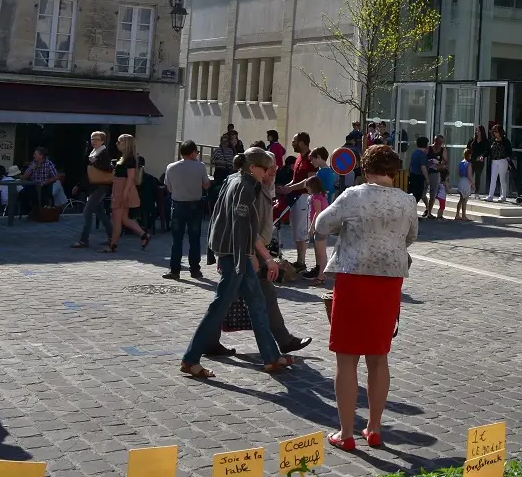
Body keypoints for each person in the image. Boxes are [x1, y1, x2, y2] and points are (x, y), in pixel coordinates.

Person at [314, 144, 418, 451]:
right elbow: (411, 237)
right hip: (389, 280)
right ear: (394, 171)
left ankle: (345, 433)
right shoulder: (407, 201)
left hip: (353, 276)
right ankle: (373, 428)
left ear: (365, 168)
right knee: (378, 355)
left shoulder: (354, 195)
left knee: (346, 359)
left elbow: (321, 224)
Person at [178, 146, 294, 379]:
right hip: (236, 255)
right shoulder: (247, 186)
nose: (267, 172)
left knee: (257, 303)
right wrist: (250, 256)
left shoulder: (233, 179)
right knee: (219, 307)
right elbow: (241, 225)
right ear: (253, 168)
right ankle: (191, 359)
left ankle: (271, 357)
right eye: (264, 168)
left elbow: (219, 215)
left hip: (231, 252)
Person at [163, 141, 210, 280]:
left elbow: (169, 187)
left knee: (177, 239)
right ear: (193, 152)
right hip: (195, 204)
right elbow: (206, 184)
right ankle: (195, 269)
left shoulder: (171, 167)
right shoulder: (200, 166)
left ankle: (175, 270)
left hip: (178, 204)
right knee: (194, 238)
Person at [104, 134, 150, 253]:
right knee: (124, 218)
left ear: (125, 143)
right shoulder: (125, 158)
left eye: (119, 142)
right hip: (120, 188)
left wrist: (124, 194)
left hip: (122, 190)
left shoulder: (129, 159)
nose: (117, 144)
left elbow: (130, 178)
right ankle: (143, 235)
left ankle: (112, 245)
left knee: (116, 219)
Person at [279, 132, 317, 275]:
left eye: (294, 141)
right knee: (295, 229)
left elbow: (309, 181)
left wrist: (290, 188)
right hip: (295, 197)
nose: (293, 143)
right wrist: (286, 187)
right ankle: (299, 260)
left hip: (304, 198)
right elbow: (296, 180)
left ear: (301, 142)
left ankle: (301, 261)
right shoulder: (299, 158)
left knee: (301, 230)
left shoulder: (310, 158)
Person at [73, 131, 116, 248]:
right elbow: (88, 173)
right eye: (92, 139)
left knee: (87, 212)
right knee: (100, 213)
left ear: (102, 141)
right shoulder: (92, 152)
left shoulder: (104, 153)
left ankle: (83, 240)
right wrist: (79, 185)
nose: (94, 141)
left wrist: (95, 162)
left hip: (101, 186)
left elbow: (107, 169)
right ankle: (113, 237)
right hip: (93, 186)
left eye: (97, 139)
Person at [19, 147, 60, 214]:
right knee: (23, 193)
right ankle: (29, 211)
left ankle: (38, 211)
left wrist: (45, 183)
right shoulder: (33, 163)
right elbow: (25, 177)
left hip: (44, 185)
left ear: (41, 156)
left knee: (42, 193)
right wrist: (31, 169)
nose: (33, 156)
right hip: (33, 185)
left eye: (35, 154)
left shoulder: (48, 164)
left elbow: (56, 177)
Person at [421, 135, 447, 220]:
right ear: (434, 141)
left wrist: (441, 165)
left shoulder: (443, 150)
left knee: (433, 194)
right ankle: (427, 207)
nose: (439, 144)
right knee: (422, 193)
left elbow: (446, 162)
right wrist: (429, 163)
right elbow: (423, 160)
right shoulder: (429, 149)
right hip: (426, 172)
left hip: (436, 173)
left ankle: (429, 212)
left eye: (441, 142)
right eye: (438, 142)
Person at [485, 125, 510, 203]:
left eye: (496, 131)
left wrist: (508, 157)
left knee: (502, 179)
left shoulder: (505, 141)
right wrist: (483, 156)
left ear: (500, 132)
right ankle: (490, 196)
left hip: (503, 160)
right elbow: (488, 151)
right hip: (494, 161)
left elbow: (509, 151)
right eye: (493, 132)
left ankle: (503, 196)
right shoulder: (492, 140)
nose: (494, 133)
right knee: (493, 178)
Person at [454, 148, 473, 221]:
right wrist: (473, 184)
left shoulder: (461, 163)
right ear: (469, 155)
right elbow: (469, 175)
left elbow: (458, 173)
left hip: (461, 180)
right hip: (466, 181)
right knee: (464, 200)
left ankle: (457, 215)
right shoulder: (469, 164)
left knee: (461, 199)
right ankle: (463, 215)